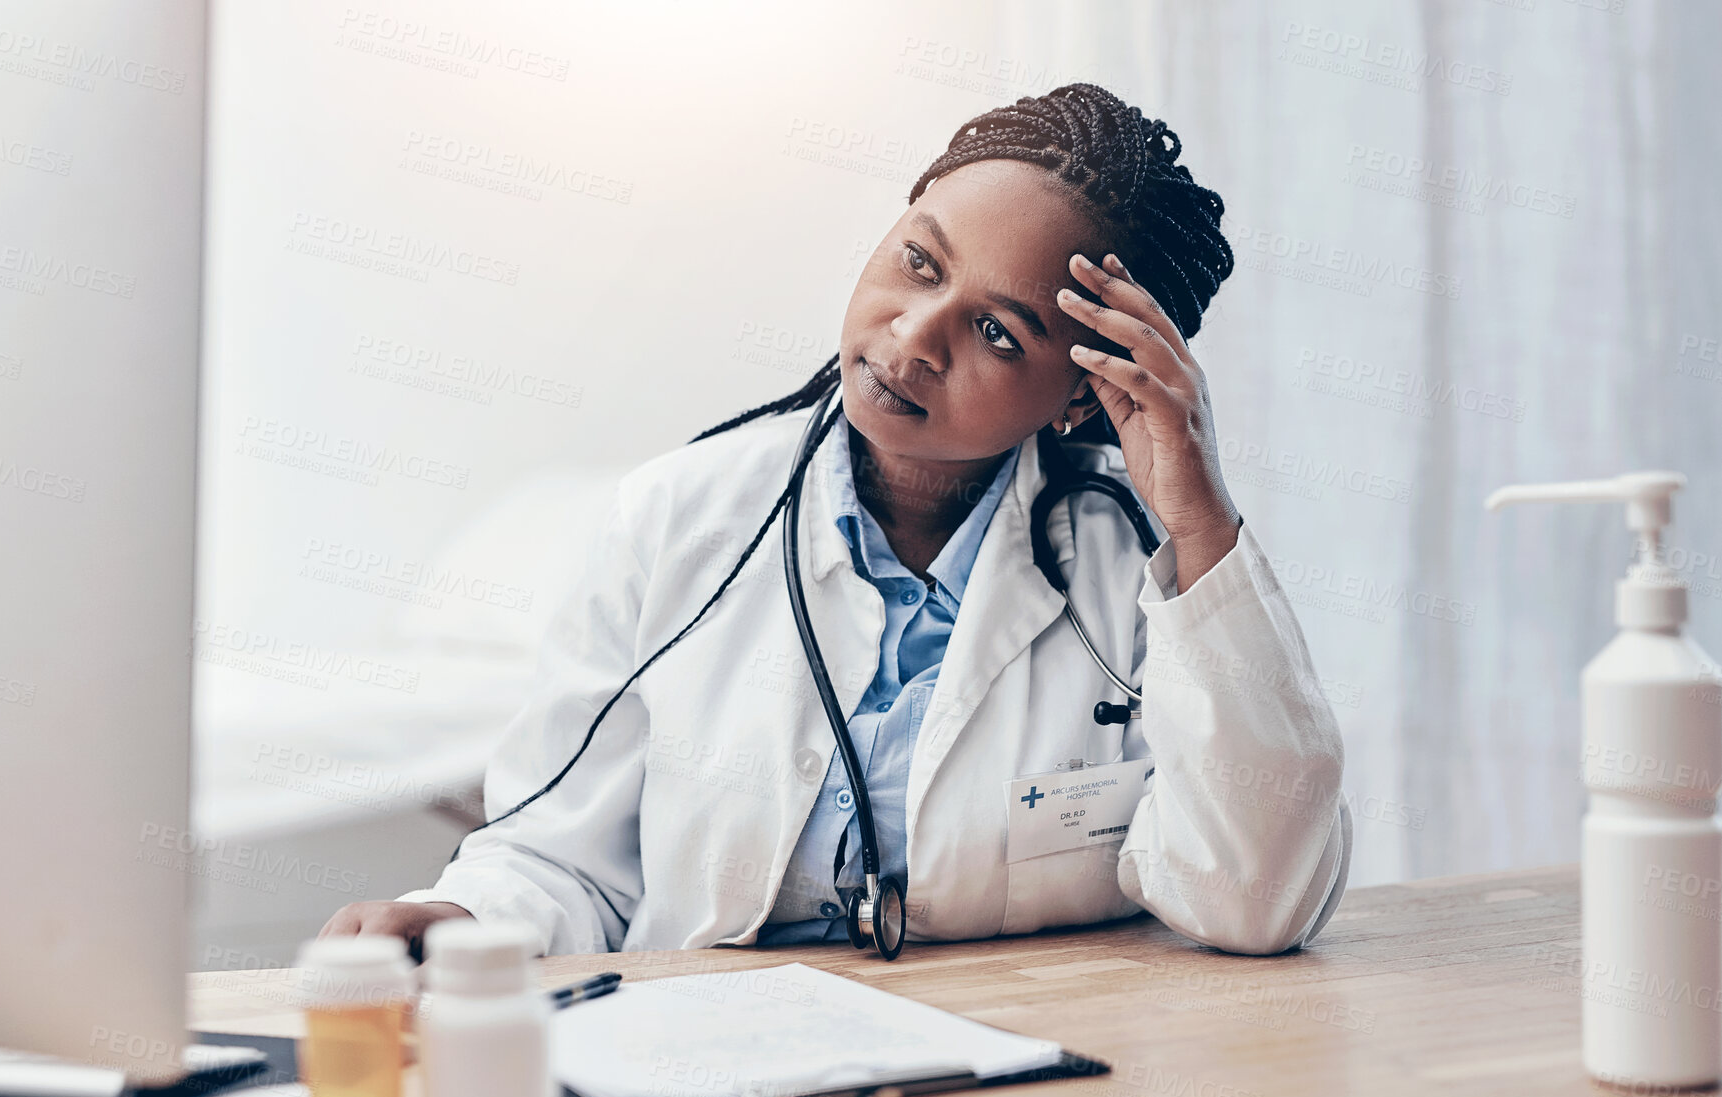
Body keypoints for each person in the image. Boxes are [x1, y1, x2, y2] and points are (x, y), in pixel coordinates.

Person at [321, 82, 1352, 960]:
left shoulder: (1142, 572)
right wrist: (460, 918)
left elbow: (1256, 897)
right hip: (709, 1069)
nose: (913, 338)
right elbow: (555, 858)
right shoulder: (676, 521)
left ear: (1081, 393)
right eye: (919, 262)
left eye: (998, 331)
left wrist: (1201, 523)